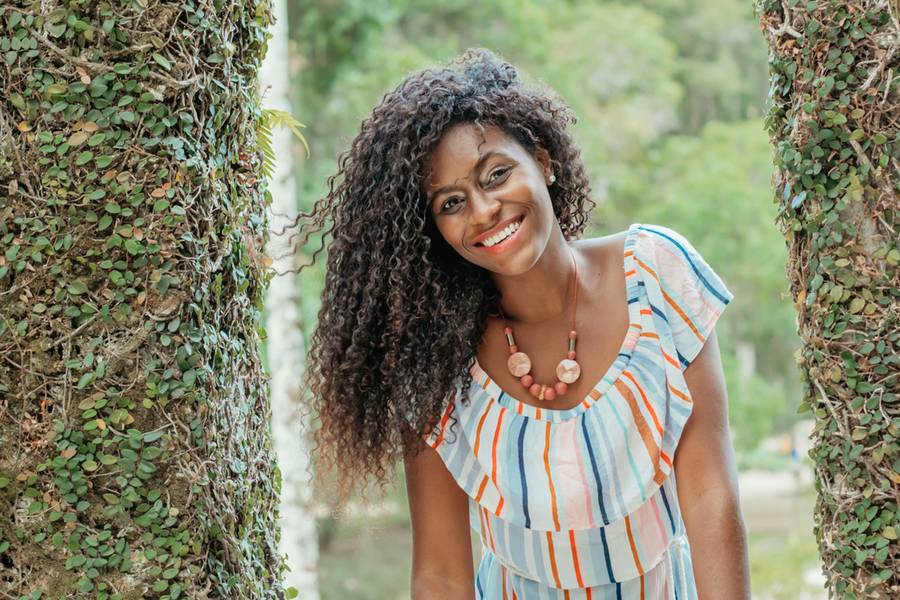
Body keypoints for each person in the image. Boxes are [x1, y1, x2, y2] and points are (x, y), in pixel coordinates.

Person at [295, 47, 751, 599]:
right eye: (451, 203)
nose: (483, 210)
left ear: (544, 158)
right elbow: (440, 575)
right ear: (432, 232)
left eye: (497, 174)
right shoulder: (434, 359)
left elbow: (711, 501)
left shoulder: (658, 276)